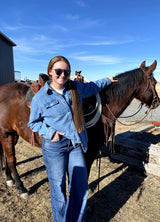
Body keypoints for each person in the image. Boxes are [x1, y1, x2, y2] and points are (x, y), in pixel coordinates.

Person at [28, 56, 117, 222]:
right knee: (58, 190)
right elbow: (33, 123)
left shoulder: (75, 88)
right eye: (58, 71)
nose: (62, 75)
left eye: (66, 72)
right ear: (50, 72)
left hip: (75, 144)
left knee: (80, 187)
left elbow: (93, 87)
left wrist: (108, 80)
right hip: (55, 147)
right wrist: (50, 133)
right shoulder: (40, 98)